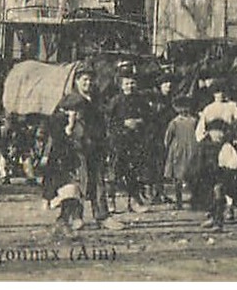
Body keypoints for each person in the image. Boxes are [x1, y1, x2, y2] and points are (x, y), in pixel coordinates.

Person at [45, 64, 107, 233]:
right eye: (84, 79)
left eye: (90, 79)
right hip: (75, 148)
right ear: (77, 81)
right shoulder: (69, 99)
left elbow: (101, 122)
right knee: (77, 183)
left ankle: (102, 216)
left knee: (99, 181)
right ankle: (75, 216)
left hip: (94, 145)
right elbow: (54, 123)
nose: (88, 83)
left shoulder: (96, 99)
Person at [105, 70, 152, 211]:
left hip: (135, 141)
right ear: (121, 85)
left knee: (133, 171)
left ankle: (133, 202)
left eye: (132, 83)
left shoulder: (141, 101)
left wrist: (139, 121)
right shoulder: (115, 101)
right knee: (114, 172)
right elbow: (107, 121)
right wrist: (123, 123)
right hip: (118, 141)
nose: (129, 86)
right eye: (126, 83)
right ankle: (111, 202)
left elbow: (149, 118)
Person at [198, 118, 237, 230]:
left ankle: (218, 222)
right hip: (206, 175)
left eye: (221, 132)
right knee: (208, 197)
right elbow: (198, 160)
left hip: (221, 175)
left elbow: (232, 163)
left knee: (219, 196)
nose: (218, 135)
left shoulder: (226, 146)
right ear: (209, 132)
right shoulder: (203, 145)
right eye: (215, 132)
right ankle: (212, 217)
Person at [161, 95, 198, 208]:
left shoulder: (186, 121)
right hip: (185, 149)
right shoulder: (183, 121)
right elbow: (168, 137)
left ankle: (185, 201)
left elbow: (167, 139)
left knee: (183, 175)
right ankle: (184, 200)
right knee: (183, 176)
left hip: (184, 150)